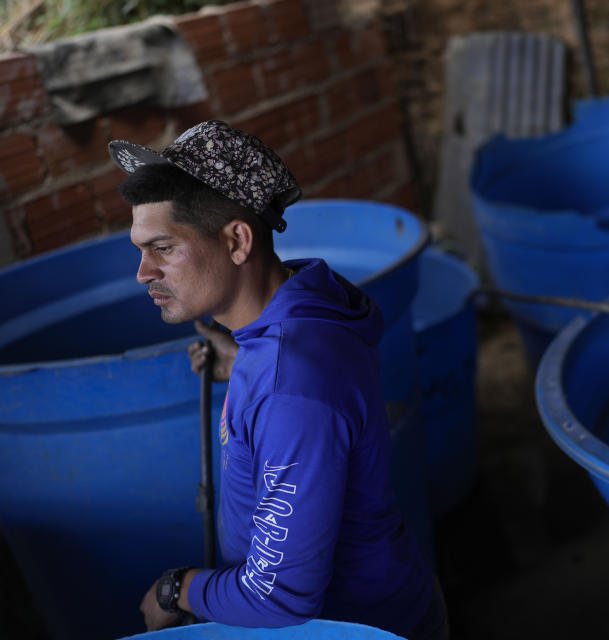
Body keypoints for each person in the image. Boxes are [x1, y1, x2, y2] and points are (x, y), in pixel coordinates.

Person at [107, 120, 447, 639]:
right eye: (140, 250)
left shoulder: (291, 388)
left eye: (163, 248)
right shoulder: (301, 317)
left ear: (238, 240)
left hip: (355, 626)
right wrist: (245, 365)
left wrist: (176, 589)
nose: (144, 272)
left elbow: (280, 597)